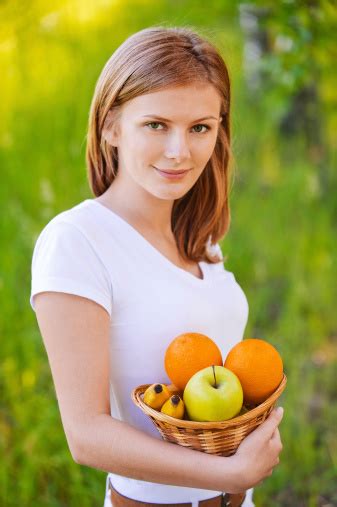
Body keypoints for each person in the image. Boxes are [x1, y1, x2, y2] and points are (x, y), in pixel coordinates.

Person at [30, 26, 284, 507]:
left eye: (200, 128)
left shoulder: (199, 236)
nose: (179, 152)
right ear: (111, 127)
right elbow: (86, 435)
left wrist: (239, 468)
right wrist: (228, 470)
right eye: (156, 125)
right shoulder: (77, 241)